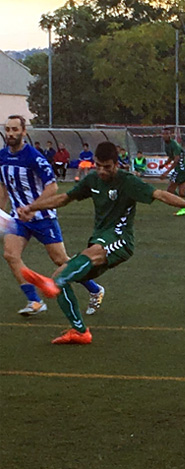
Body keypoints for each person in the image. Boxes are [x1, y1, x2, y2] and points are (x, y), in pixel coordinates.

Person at [17, 141, 185, 344]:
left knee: (82, 260)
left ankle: (54, 285)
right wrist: (32, 207)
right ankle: (80, 331)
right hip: (100, 238)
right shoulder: (93, 180)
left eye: (107, 167)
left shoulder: (127, 181)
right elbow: (63, 198)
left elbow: (160, 194)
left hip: (121, 240)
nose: (102, 171)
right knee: (61, 276)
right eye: (98, 165)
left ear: (116, 164)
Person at [0, 115, 105, 317]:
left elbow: (53, 187)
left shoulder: (34, 157)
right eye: (8, 129)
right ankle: (34, 300)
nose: (11, 133)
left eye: (15, 129)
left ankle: (95, 289)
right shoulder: (2, 156)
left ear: (24, 132)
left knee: (60, 260)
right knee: (11, 255)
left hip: (42, 217)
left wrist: (32, 208)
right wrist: (1, 214)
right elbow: (3, 187)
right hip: (17, 218)